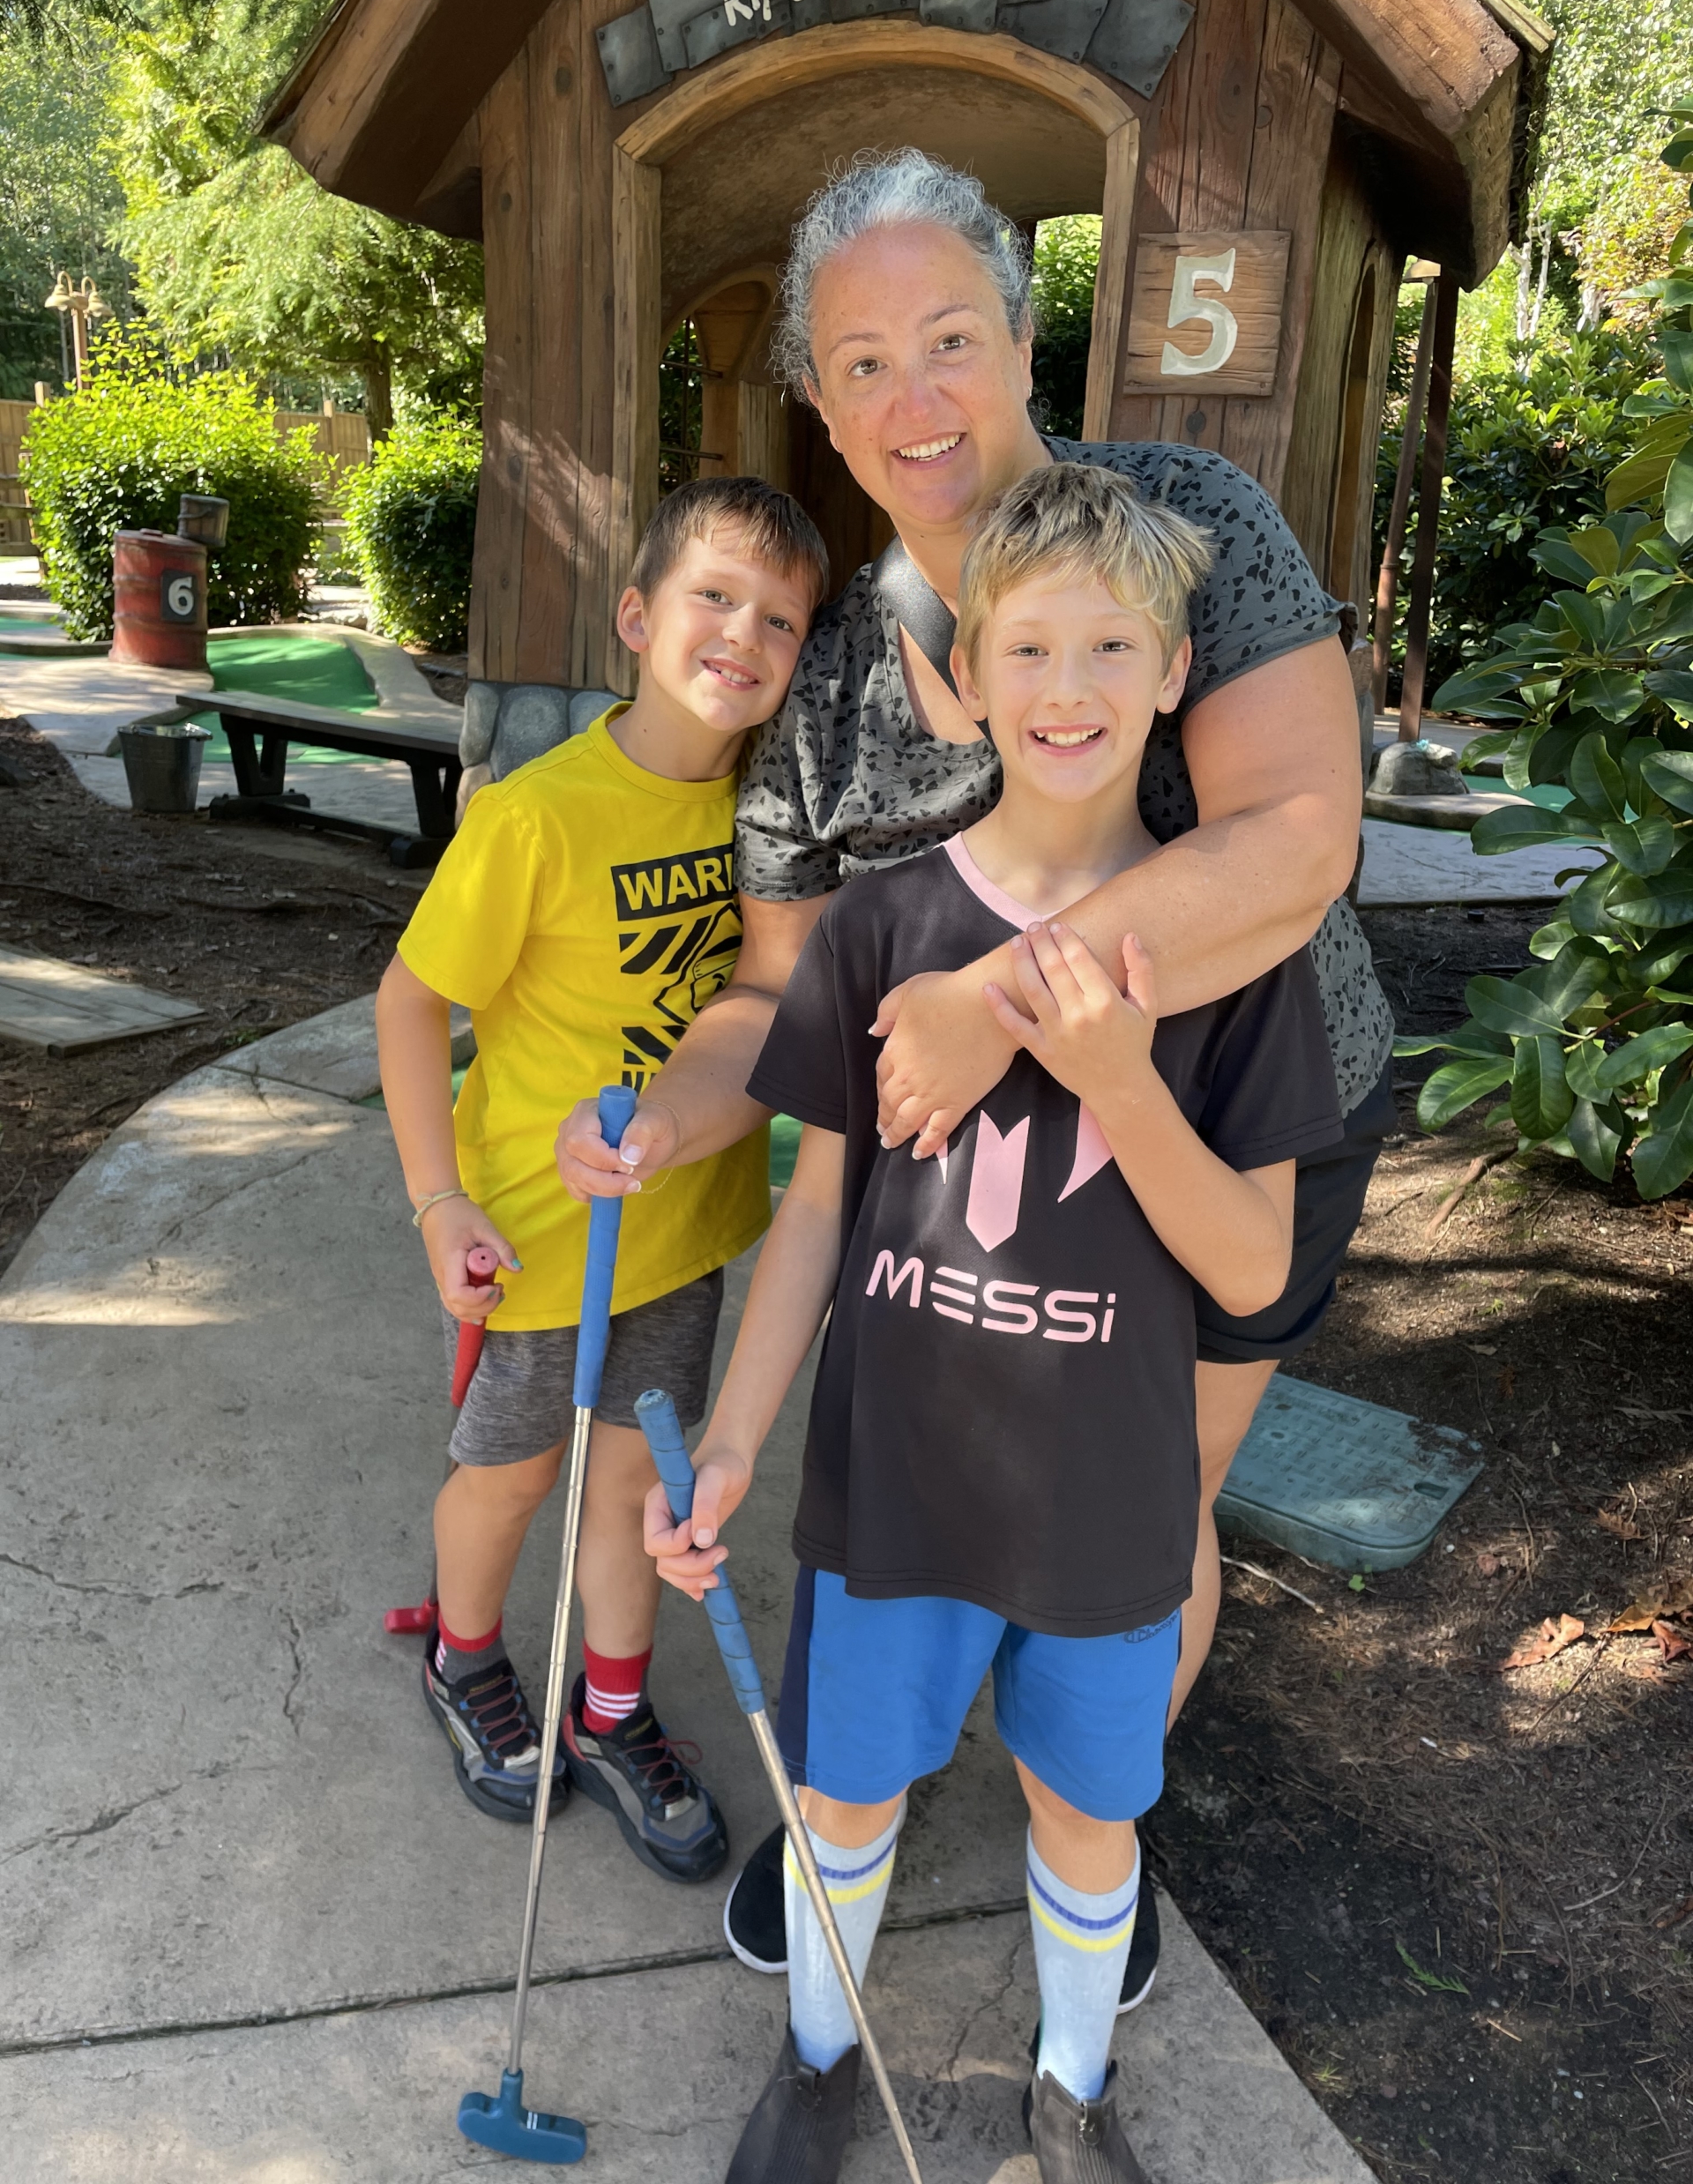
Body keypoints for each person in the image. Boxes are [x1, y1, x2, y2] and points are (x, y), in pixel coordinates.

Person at [560, 148, 1393, 1987]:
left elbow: (1296, 833)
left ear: (1028, 341)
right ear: (826, 412)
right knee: (921, 1505)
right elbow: (773, 1006)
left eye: (950, 336)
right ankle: (855, 1801)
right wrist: (652, 1112)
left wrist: (987, 1000)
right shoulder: (836, 679)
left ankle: (1094, 1828)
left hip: (1231, 1142)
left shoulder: (1189, 523)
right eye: (860, 364)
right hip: (954, 1198)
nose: (912, 394)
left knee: (1139, 1516)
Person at [649, 466, 1344, 2182]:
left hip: (1103, 1506)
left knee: (1089, 1807)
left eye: (1116, 643)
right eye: (1029, 645)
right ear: (969, 677)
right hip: (895, 1495)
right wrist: (735, 1433)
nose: (1072, 685)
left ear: (1179, 671)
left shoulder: (1231, 956)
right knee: (847, 1794)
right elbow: (816, 1209)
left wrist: (1118, 1072)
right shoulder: (885, 920)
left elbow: (1255, 1270)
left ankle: (1075, 2081)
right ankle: (816, 2062)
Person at [375, 475, 827, 1879]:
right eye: (712, 596)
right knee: (508, 1476)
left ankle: (612, 1711)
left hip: (682, 1227)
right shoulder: (537, 817)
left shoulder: (776, 816)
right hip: (536, 1237)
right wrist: (438, 1202)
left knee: (644, 1480)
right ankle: (462, 1659)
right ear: (637, 616)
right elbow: (408, 1003)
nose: (742, 634)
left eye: (781, 620)